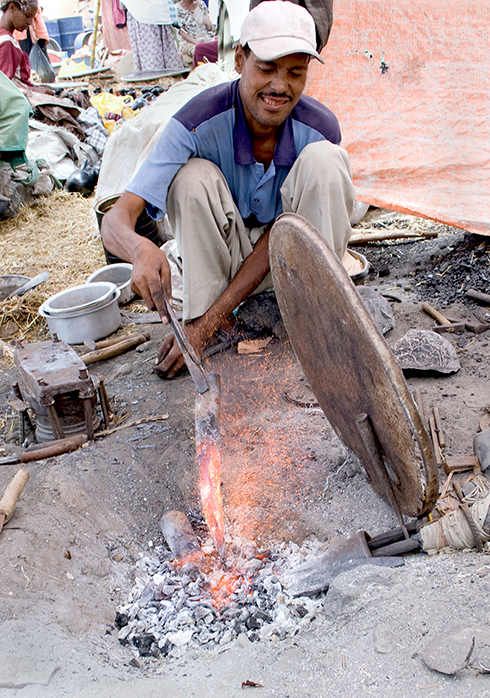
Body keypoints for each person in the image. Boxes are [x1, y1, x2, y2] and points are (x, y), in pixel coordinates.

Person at [101, 1, 356, 379]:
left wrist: (208, 324)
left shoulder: (319, 129)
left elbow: (281, 236)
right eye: (266, 68)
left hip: (291, 264)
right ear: (239, 60)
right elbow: (115, 219)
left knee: (328, 161)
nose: (279, 87)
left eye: (295, 73)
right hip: (221, 268)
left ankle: (319, 320)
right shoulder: (196, 122)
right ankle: (212, 326)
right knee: (191, 179)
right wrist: (139, 248)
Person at [0, 0, 52, 92]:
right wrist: (34, 91)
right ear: (12, 8)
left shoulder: (4, 36)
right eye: (27, 16)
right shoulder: (6, 42)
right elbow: (5, 89)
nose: (30, 22)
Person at [122, 0, 182, 72]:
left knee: (165, 57)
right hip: (143, 16)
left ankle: (167, 78)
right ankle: (156, 79)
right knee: (152, 58)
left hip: (157, 12)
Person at [176, 0, 216, 66]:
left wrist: (208, 22)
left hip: (206, 37)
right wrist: (198, 43)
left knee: (217, 46)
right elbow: (182, 32)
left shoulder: (201, 4)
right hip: (188, 42)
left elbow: (211, 28)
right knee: (199, 49)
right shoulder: (177, 9)